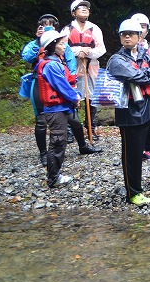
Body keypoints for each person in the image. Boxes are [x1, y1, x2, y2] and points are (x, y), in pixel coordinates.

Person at [106, 19, 150, 205]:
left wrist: (147, 74)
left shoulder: (144, 55)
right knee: (133, 154)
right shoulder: (116, 60)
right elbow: (134, 75)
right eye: (124, 34)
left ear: (140, 36)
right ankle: (133, 193)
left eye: (132, 33)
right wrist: (149, 75)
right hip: (130, 112)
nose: (128, 36)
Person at [34, 30, 101, 188]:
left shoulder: (56, 61)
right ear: (52, 46)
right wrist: (76, 97)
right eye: (61, 44)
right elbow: (62, 86)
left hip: (61, 107)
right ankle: (53, 178)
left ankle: (55, 175)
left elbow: (66, 84)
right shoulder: (51, 65)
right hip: (55, 109)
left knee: (59, 141)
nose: (64, 46)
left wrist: (74, 96)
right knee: (58, 142)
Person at [21, 14, 78, 165]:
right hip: (38, 83)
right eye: (44, 24)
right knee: (40, 121)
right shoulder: (36, 43)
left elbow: (71, 63)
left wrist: (71, 83)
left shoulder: (61, 44)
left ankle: (82, 145)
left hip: (60, 82)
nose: (47, 27)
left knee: (73, 117)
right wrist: (38, 41)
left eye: (51, 25)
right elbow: (26, 57)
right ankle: (43, 153)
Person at [61, 0, 106, 139]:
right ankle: (70, 129)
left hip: (90, 67)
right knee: (71, 96)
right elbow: (62, 48)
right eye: (80, 7)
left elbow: (101, 49)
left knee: (91, 97)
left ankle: (91, 127)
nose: (85, 9)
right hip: (73, 67)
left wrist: (87, 52)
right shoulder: (67, 29)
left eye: (86, 7)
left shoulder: (94, 28)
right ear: (73, 12)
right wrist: (78, 51)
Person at [131, 12, 150, 161]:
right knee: (137, 122)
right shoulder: (127, 48)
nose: (141, 30)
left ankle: (148, 149)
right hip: (133, 91)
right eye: (138, 27)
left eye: (143, 27)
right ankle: (137, 149)